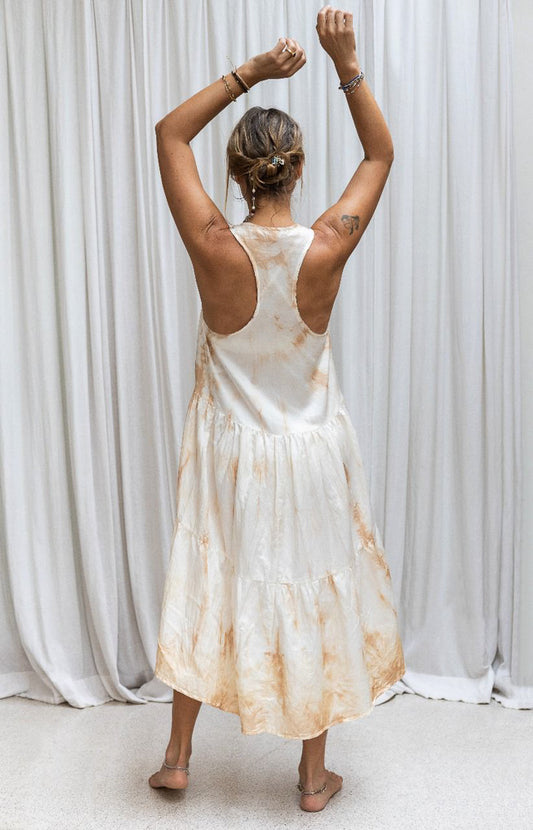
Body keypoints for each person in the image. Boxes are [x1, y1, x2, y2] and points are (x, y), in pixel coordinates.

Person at [149, 5, 405, 814]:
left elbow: (167, 134)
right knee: (313, 588)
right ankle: (310, 775)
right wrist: (345, 60)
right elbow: (379, 152)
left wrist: (252, 71)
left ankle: (180, 757)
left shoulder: (212, 244)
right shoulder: (329, 242)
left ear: (237, 175)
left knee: (211, 576)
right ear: (296, 172)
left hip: (230, 449)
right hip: (309, 450)